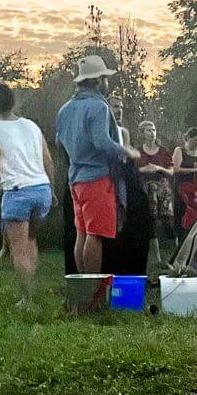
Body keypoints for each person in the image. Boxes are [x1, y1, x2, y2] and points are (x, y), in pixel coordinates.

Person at [0, 82, 55, 305]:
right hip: (41, 189)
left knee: (18, 250)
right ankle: (31, 290)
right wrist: (51, 190)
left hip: (18, 194)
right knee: (31, 240)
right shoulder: (32, 126)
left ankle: (27, 298)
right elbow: (48, 161)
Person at [55, 54, 139, 273]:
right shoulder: (99, 107)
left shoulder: (65, 109)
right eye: (105, 77)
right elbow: (102, 142)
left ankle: (81, 288)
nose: (107, 82)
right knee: (95, 236)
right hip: (97, 178)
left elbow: (58, 141)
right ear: (97, 80)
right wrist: (126, 151)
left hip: (75, 179)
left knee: (82, 233)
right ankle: (93, 291)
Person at [136, 119, 176, 267]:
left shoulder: (163, 151)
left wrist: (159, 168)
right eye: (148, 130)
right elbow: (133, 171)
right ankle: (157, 258)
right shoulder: (138, 152)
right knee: (150, 222)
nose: (152, 133)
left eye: (153, 130)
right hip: (146, 189)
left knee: (168, 221)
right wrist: (143, 169)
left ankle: (176, 255)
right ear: (142, 133)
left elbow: (171, 171)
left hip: (163, 189)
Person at [172, 127, 197, 243]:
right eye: (195, 140)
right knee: (182, 214)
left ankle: (194, 240)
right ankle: (180, 242)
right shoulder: (180, 150)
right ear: (188, 138)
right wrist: (195, 169)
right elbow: (175, 169)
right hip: (182, 187)